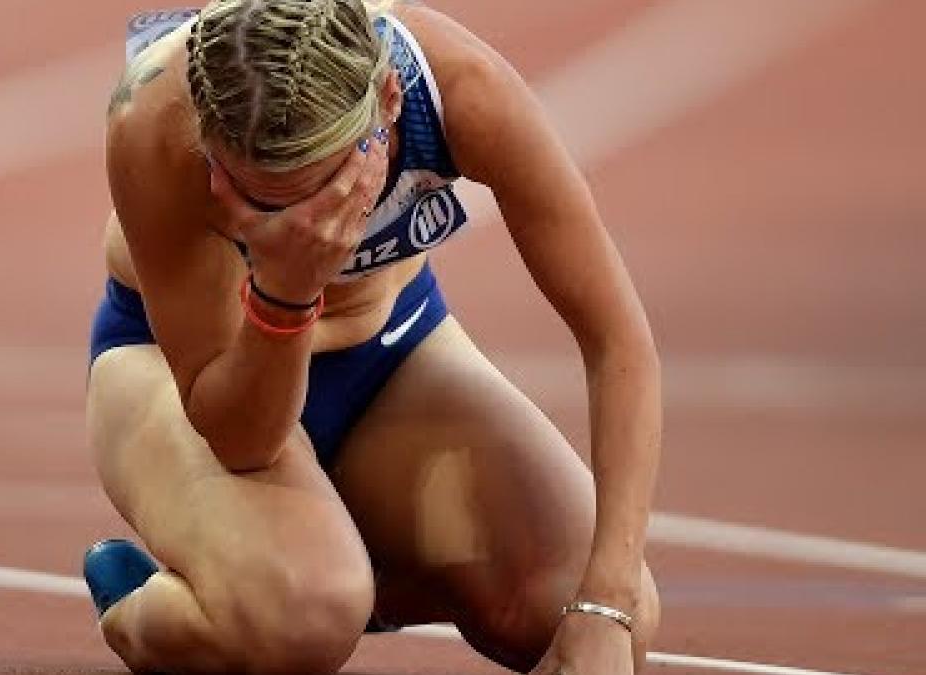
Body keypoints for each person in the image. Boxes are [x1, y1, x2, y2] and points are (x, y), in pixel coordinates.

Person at [85, 1, 661, 673]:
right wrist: (286, 292)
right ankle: (147, 612)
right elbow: (242, 436)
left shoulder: (461, 90)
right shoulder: (154, 120)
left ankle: (346, 567)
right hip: (186, 370)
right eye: (256, 195)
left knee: (596, 608)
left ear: (387, 102)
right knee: (296, 620)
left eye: (316, 186)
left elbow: (618, 339)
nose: (293, 216)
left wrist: (607, 607)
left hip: (392, 352)